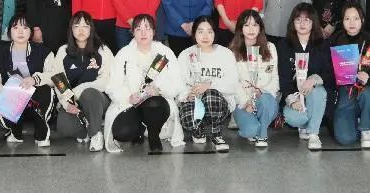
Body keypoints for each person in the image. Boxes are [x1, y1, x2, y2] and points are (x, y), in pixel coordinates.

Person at [104, 14, 184, 153]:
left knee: (154, 102)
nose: (143, 33)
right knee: (122, 132)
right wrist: (128, 97)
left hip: (157, 103)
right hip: (131, 103)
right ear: (132, 32)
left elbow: (177, 82)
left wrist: (160, 90)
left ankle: (154, 135)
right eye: (138, 29)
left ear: (154, 31)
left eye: (147, 28)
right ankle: (139, 129)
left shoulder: (165, 52)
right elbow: (113, 85)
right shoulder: (124, 54)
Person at [327, 3, 370, 148]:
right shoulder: (333, 42)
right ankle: (356, 120)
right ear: (342, 21)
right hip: (344, 93)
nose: (352, 23)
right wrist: (337, 75)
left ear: (362, 20)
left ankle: (366, 128)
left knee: (369, 94)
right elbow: (325, 72)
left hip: (365, 91)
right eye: (347, 18)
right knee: (345, 139)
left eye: (356, 18)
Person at [52, 12, 115, 151]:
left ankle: (95, 134)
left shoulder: (103, 50)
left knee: (89, 93)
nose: (81, 30)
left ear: (91, 29)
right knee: (63, 127)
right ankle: (87, 129)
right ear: (71, 29)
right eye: (76, 26)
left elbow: (107, 80)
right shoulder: (63, 51)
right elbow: (59, 80)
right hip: (73, 100)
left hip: (98, 99)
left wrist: (80, 89)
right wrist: (66, 103)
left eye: (85, 26)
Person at [0, 14, 56, 146]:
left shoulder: (43, 52)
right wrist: (5, 95)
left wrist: (35, 79)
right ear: (9, 31)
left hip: (35, 101)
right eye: (16, 28)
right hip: (13, 101)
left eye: (25, 28)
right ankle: (15, 132)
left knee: (45, 90)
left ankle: (41, 134)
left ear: (31, 31)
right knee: (1, 96)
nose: (20, 32)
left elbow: (54, 76)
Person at [176, 17, 239, 151]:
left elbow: (233, 84)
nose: (205, 36)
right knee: (188, 120)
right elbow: (179, 84)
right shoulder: (185, 55)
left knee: (210, 95)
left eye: (209, 32)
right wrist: (188, 95)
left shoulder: (225, 54)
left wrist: (209, 85)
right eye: (201, 31)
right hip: (194, 100)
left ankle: (217, 134)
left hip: (218, 103)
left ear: (215, 33)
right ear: (194, 33)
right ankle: (198, 130)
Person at [277, 3, 332, 151]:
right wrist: (292, 99)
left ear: (313, 23)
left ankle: (313, 133)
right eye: (298, 19)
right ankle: (304, 125)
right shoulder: (283, 45)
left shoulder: (323, 44)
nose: (302, 23)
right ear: (292, 22)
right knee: (294, 118)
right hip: (295, 95)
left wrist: (314, 79)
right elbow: (282, 77)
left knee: (319, 91)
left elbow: (329, 74)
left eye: (306, 20)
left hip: (315, 95)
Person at [230, 11, 279, 147]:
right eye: (246, 25)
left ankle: (262, 134)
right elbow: (233, 83)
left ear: (260, 28)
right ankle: (254, 127)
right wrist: (246, 102)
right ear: (240, 28)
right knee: (250, 130)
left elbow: (274, 77)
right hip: (243, 103)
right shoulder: (232, 51)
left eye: (255, 25)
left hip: (265, 100)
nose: (251, 29)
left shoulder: (270, 47)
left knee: (265, 101)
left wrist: (262, 92)